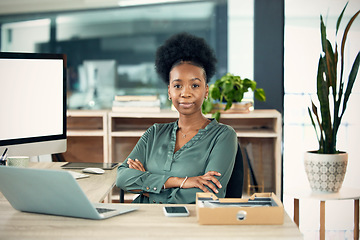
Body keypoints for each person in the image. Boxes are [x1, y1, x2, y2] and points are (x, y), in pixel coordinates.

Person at [116, 32, 238, 204]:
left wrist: (148, 187)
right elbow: (122, 177)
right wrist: (182, 182)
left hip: (187, 223)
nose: (185, 93)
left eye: (195, 85)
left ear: (206, 91)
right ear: (169, 91)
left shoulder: (223, 136)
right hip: (141, 219)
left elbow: (210, 193)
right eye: (178, 85)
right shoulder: (154, 133)